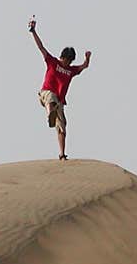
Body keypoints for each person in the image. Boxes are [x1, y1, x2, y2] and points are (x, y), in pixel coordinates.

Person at [28, 16, 91, 160]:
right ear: (62, 57)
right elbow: (41, 47)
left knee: (62, 127)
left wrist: (87, 59)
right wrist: (33, 31)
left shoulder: (71, 70)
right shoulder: (52, 62)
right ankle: (50, 113)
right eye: (66, 60)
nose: (67, 63)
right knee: (51, 97)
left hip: (60, 102)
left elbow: (84, 67)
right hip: (46, 94)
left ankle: (62, 154)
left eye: (69, 61)